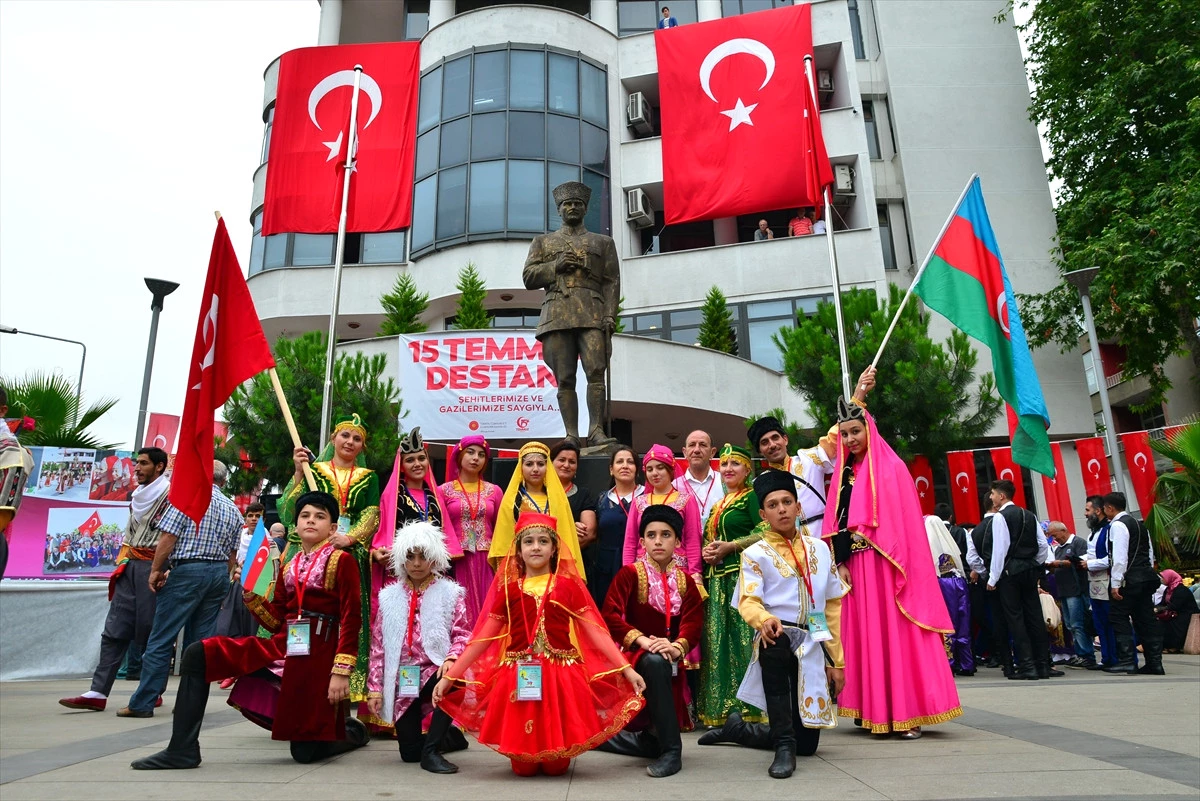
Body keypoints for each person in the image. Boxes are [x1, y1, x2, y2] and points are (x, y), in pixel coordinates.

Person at [130, 491, 368, 769]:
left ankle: (354, 732)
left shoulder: (343, 560)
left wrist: (341, 672)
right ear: (295, 525)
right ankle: (181, 749)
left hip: (319, 653)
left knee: (304, 753)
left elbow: (352, 618)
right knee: (198, 654)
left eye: (320, 516)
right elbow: (277, 620)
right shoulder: (290, 565)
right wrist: (251, 596)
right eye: (305, 516)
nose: (311, 521)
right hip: (286, 644)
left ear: (333, 527)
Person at [433, 511, 646, 777]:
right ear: (519, 551)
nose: (536, 547)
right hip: (518, 676)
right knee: (523, 768)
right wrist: (450, 676)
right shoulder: (509, 590)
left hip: (562, 676)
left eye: (543, 541)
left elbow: (596, 633)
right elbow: (481, 641)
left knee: (557, 766)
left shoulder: (569, 586)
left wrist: (627, 669)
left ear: (554, 548)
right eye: (529, 541)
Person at [824, 393, 960, 737]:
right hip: (856, 566)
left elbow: (904, 526)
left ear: (869, 429)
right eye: (845, 435)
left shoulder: (893, 468)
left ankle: (904, 711)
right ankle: (872, 708)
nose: (851, 440)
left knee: (892, 634)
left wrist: (884, 550)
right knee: (864, 635)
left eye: (855, 431)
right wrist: (840, 558)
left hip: (887, 564)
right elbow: (838, 521)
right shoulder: (844, 473)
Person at [728, 469, 845, 778]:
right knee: (774, 644)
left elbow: (830, 606)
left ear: (798, 507)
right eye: (773, 504)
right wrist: (764, 619)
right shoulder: (755, 554)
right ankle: (782, 747)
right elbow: (748, 600)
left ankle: (740, 731)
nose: (781, 509)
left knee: (808, 746)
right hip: (777, 633)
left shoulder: (820, 548)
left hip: (812, 637)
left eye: (787, 501)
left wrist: (837, 661)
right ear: (764, 513)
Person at [118, 461, 244, 718]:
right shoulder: (233, 509)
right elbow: (232, 553)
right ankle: (190, 704)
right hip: (218, 572)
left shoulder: (187, 498)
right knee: (199, 644)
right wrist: (224, 580)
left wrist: (156, 570)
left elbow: (168, 537)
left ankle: (143, 702)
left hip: (188, 570)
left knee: (161, 637)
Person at [278, 414, 381, 710]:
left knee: (349, 616)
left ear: (362, 447)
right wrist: (299, 473)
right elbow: (290, 512)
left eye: (356, 438)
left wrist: (349, 539)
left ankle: (348, 679)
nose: (349, 442)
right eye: (344, 436)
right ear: (333, 439)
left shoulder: (370, 477)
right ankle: (298, 675)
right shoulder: (315, 471)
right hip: (314, 554)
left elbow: (371, 514)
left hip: (349, 555)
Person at [59, 448, 171, 712]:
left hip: (155, 566)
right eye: (136, 464)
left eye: (144, 464)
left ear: (159, 467)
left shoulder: (172, 496)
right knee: (115, 629)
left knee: (150, 630)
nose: (137, 469)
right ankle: (98, 692)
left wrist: (168, 569)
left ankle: (151, 689)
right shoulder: (136, 496)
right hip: (130, 564)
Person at [599, 505, 703, 778]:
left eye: (666, 535)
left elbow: (693, 622)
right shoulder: (629, 574)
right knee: (656, 662)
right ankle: (672, 751)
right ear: (642, 541)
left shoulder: (686, 581)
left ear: (678, 542)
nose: (658, 541)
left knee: (662, 660)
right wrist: (642, 641)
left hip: (670, 655)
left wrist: (677, 646)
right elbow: (609, 615)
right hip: (637, 656)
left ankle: (646, 740)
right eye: (651, 535)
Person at [367, 521, 471, 773]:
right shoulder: (388, 596)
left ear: (434, 559)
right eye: (410, 556)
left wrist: (451, 659)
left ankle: (432, 752)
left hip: (434, 671)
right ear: (401, 559)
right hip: (403, 678)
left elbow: (463, 633)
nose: (416, 563)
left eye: (423, 556)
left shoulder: (450, 593)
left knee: (455, 680)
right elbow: (378, 646)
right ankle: (449, 739)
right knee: (408, 754)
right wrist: (375, 689)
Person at [522, 181, 620, 447]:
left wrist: (610, 315)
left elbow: (611, 281)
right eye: (567, 204)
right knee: (564, 377)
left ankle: (597, 430)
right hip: (557, 312)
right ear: (560, 209)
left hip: (593, 311)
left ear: (585, 209)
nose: (572, 207)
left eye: (577, 203)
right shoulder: (543, 242)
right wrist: (555, 265)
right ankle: (571, 435)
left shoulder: (603, 242)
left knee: (596, 371)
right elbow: (529, 277)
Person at [746, 368, 872, 539]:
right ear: (760, 451)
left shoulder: (808, 459)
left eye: (775, 438)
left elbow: (836, 435)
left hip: (824, 535)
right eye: (764, 442)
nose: (772, 445)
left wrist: (858, 395)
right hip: (787, 544)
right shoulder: (760, 482)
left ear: (785, 439)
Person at [696, 444, 763, 729]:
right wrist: (707, 552)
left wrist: (732, 546)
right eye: (724, 464)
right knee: (717, 643)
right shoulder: (717, 504)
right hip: (717, 580)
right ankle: (721, 708)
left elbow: (765, 530)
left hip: (741, 578)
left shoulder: (750, 497)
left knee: (743, 641)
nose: (728, 469)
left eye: (735, 464)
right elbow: (707, 538)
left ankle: (752, 708)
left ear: (748, 470)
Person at [984, 479, 1057, 680]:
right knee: (1034, 616)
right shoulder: (1029, 514)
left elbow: (1000, 550)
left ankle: (1027, 666)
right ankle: (1042, 664)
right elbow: (1043, 546)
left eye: (992, 493)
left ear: (1001, 496)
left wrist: (993, 578)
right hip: (1029, 569)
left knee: (1015, 618)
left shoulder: (1000, 518)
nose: (991, 497)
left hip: (1010, 572)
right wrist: (1034, 562)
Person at [488, 441, 585, 576]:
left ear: (548, 467)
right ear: (521, 467)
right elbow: (504, 542)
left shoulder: (557, 500)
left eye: (540, 464)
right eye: (529, 464)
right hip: (522, 567)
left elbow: (565, 536)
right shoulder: (511, 501)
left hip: (553, 566)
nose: (535, 469)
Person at [438, 434, 503, 623]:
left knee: (490, 608)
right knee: (460, 609)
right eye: (470, 452)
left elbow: (502, 525)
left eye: (481, 455)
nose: (476, 458)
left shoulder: (494, 490)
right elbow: (440, 526)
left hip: (487, 560)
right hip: (456, 559)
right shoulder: (444, 490)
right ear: (459, 456)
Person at [622, 445, 703, 587]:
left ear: (670, 470)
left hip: (678, 572)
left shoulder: (686, 500)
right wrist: (627, 574)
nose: (654, 473)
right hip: (644, 573)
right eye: (649, 469)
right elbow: (630, 542)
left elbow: (692, 540)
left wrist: (695, 573)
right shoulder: (638, 502)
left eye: (660, 467)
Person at [1103, 492, 1164, 675]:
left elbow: (1119, 557)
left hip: (1129, 580)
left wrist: (1116, 583)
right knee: (1145, 619)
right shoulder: (1140, 524)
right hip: (1146, 577)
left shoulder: (1118, 525)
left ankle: (1127, 660)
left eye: (1105, 508)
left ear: (1110, 508)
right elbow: (1150, 553)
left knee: (1118, 616)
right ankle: (1155, 663)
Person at [590, 446, 643, 607]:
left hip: (639, 566)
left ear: (637, 470)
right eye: (620, 462)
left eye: (630, 462)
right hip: (605, 569)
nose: (625, 466)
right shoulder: (601, 499)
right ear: (611, 470)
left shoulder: (648, 496)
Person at [926, 514, 974, 676]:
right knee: (963, 622)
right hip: (959, 582)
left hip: (942, 584)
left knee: (947, 622)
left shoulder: (929, 544)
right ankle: (967, 663)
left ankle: (949, 662)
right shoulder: (949, 543)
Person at [1046, 520, 1094, 668]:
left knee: (1077, 623)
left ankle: (1086, 654)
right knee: (1070, 624)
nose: (1055, 539)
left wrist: (1057, 564)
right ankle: (1079, 653)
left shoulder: (1078, 543)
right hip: (1064, 591)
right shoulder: (1059, 548)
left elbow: (1081, 562)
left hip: (1076, 590)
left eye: (1055, 535)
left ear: (1063, 530)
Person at [216, 502, 265, 641]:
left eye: (258, 516)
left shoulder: (269, 542)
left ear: (264, 520)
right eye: (250, 516)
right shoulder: (238, 538)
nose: (254, 519)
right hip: (235, 585)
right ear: (246, 519)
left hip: (257, 588)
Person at [1084, 496, 1116, 669]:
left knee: (1110, 621)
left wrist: (1088, 564)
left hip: (1107, 580)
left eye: (1088, 510)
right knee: (1099, 622)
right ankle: (1106, 658)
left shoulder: (1109, 530)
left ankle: (1115, 658)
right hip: (1094, 581)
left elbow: (1110, 559)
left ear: (1098, 511)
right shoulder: (1093, 533)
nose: (1085, 513)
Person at [551, 439, 598, 554]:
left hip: (576, 563)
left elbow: (589, 534)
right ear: (550, 463)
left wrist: (560, 555)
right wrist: (571, 527)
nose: (566, 465)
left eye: (572, 461)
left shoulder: (583, 495)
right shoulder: (539, 493)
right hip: (542, 563)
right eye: (561, 460)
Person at [673, 430, 724, 526]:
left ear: (712, 452)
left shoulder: (724, 482)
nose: (696, 450)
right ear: (685, 452)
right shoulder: (674, 486)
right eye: (692, 445)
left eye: (703, 445)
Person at [1156, 569, 1199, 652]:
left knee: (1174, 623)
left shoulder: (1181, 590)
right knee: (1161, 622)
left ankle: (1175, 646)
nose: (1162, 580)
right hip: (1174, 612)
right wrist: (1157, 608)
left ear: (1170, 578)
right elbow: (1163, 602)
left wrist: (1162, 609)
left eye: (1163, 578)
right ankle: (1165, 645)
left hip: (1186, 614)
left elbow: (1176, 605)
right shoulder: (1168, 590)